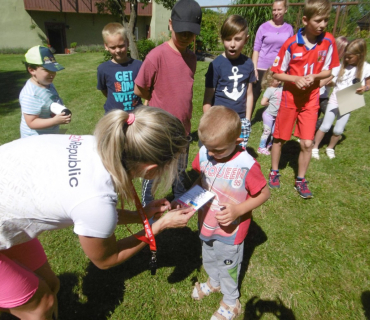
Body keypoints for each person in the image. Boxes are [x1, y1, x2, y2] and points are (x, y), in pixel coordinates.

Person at [0, 106, 196, 320]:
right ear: (150, 169)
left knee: (52, 285)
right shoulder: (95, 199)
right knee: (41, 305)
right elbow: (106, 259)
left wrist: (141, 215)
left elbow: (97, 214)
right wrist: (159, 226)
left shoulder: (103, 145)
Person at [190, 106, 270, 320]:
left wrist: (238, 210)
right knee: (208, 256)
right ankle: (214, 282)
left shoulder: (246, 164)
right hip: (206, 222)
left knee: (228, 264)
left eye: (219, 150)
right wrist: (190, 200)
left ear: (237, 140)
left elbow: (264, 193)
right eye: (208, 148)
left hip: (230, 231)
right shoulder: (205, 152)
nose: (212, 154)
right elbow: (201, 177)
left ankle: (231, 300)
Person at [268, 0, 340, 199]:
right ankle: (274, 171)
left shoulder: (328, 41)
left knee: (307, 143)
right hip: (289, 98)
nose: (323, 24)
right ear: (306, 20)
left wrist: (315, 78)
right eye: (318, 20)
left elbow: (330, 70)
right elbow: (276, 72)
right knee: (280, 138)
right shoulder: (291, 43)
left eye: (326, 20)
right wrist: (295, 79)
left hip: (311, 100)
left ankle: (300, 179)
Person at [134, 0, 202, 206]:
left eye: (190, 33)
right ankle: (148, 201)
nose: (185, 37)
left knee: (180, 166)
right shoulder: (156, 56)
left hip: (183, 127)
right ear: (171, 24)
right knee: (154, 166)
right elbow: (140, 88)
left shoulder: (191, 57)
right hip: (160, 129)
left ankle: (180, 193)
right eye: (181, 31)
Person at [312, 39, 370, 159]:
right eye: (346, 56)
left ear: (360, 55)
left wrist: (365, 88)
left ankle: (330, 148)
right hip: (335, 99)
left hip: (350, 99)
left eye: (350, 57)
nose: (347, 59)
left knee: (339, 129)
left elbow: (368, 84)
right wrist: (315, 87)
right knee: (325, 126)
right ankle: (315, 147)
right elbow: (328, 80)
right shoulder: (340, 66)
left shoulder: (366, 68)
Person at [203, 15, 255, 149]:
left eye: (237, 39)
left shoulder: (248, 64)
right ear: (222, 39)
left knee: (238, 153)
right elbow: (207, 99)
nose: (232, 44)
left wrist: (247, 120)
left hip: (240, 120)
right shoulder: (216, 65)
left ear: (246, 39)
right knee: (220, 152)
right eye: (228, 39)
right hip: (220, 120)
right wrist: (211, 121)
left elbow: (249, 94)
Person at [251, 0, 294, 116]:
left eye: (279, 9)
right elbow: (256, 49)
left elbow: (290, 50)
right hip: (261, 66)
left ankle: (273, 121)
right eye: (274, 9)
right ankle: (247, 120)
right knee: (253, 96)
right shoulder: (263, 27)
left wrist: (287, 69)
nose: (276, 12)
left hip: (278, 69)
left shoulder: (289, 29)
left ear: (285, 10)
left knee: (277, 96)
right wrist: (254, 68)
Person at [20, 45, 71, 138]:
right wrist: (55, 121)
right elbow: (31, 122)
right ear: (32, 70)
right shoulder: (31, 94)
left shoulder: (47, 83)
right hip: (35, 139)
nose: (52, 74)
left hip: (49, 133)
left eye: (54, 69)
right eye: (47, 70)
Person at [97, 23, 142, 114]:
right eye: (113, 47)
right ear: (106, 46)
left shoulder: (139, 65)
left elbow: (145, 89)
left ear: (128, 43)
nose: (118, 50)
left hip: (136, 114)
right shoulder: (103, 69)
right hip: (114, 115)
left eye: (121, 46)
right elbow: (105, 90)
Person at [316, 36, 349, 125]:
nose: (347, 53)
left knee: (325, 114)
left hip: (323, 95)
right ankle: (308, 132)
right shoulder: (326, 60)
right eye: (345, 50)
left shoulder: (340, 64)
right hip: (317, 94)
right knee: (325, 114)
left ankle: (310, 132)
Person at [257, 68, 282, 155]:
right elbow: (263, 102)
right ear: (270, 79)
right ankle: (261, 147)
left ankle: (270, 144)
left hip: (277, 115)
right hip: (268, 115)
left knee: (274, 131)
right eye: (277, 80)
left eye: (280, 80)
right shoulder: (269, 90)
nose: (279, 82)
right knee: (267, 131)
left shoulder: (281, 88)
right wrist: (271, 103)